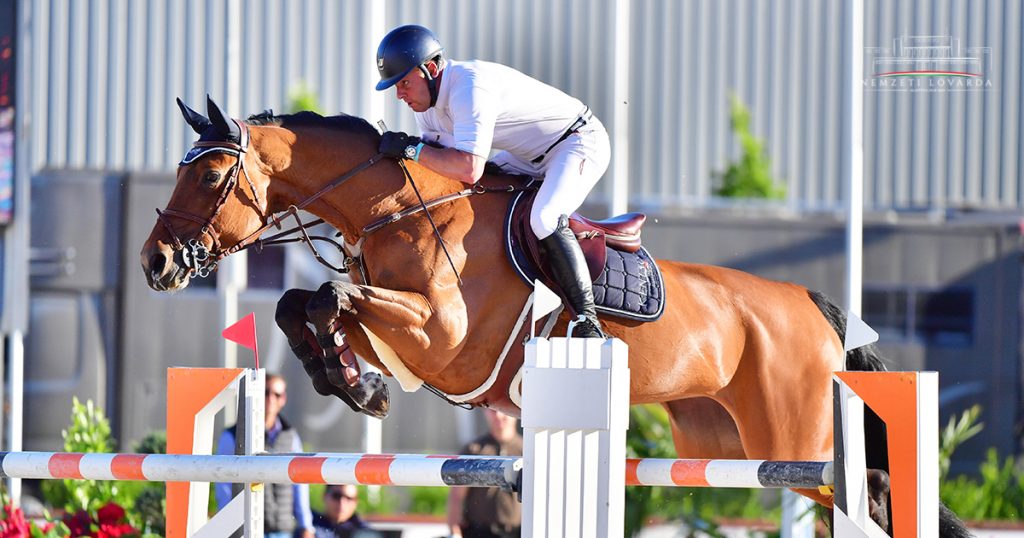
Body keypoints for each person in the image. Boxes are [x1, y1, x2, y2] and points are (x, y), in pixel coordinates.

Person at [374, 24, 610, 339]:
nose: (399, 94)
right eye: (395, 86)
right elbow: (440, 164)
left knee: (544, 217)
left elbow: (469, 168)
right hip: (528, 156)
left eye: (404, 82)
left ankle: (586, 319)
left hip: (578, 142)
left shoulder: (469, 88)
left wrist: (409, 148)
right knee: (479, 196)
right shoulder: (427, 105)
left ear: (431, 69)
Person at [215, 373, 315, 538]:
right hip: (246, 531)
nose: (270, 398)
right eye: (266, 392)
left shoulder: (291, 436)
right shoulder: (231, 436)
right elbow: (224, 487)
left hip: (283, 531)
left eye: (276, 394)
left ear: (283, 399)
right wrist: (231, 527)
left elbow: (299, 484)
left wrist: (306, 526)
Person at [446, 409, 523, 538]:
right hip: (478, 532)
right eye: (493, 411)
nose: (499, 415)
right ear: (485, 412)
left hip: (517, 532)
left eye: (504, 411)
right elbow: (457, 496)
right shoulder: (473, 449)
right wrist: (454, 531)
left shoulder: (527, 450)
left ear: (516, 412)